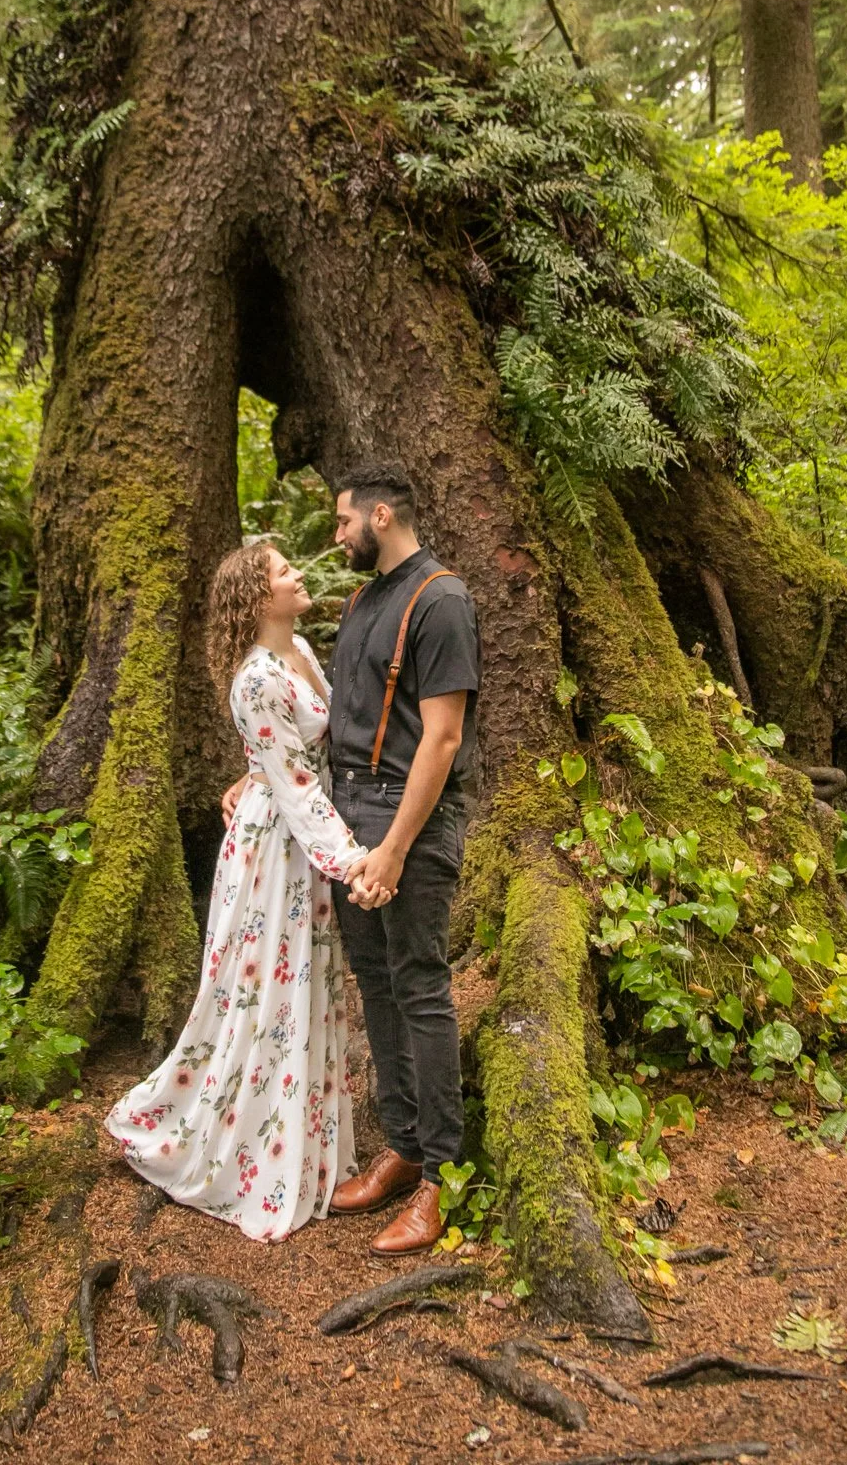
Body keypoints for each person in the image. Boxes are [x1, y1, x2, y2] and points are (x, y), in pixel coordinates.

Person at [223, 461, 481, 1255]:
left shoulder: (441, 600)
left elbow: (441, 735)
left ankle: (443, 1174)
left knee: (421, 986)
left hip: (412, 819)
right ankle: (402, 1145)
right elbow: (334, 720)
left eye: (341, 522)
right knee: (376, 982)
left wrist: (396, 848)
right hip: (347, 818)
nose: (334, 537)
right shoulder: (367, 599)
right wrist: (258, 768)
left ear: (378, 516)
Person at [104, 541, 391, 1242]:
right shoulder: (257, 677)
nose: (299, 576)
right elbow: (291, 783)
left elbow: (302, 752)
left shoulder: (301, 654)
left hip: (303, 840)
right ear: (259, 599)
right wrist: (352, 860)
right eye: (285, 572)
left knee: (303, 993)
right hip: (278, 853)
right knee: (267, 995)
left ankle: (297, 1135)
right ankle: (236, 1140)